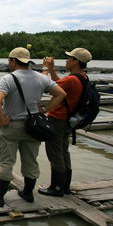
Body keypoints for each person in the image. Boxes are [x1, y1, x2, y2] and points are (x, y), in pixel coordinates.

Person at [0, 47, 66, 207]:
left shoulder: (7, 79)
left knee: (6, 161)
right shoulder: (41, 78)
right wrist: (45, 109)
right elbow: (61, 93)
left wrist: (2, 121)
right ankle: (28, 193)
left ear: (13, 61)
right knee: (31, 161)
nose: (9, 63)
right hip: (33, 126)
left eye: (9, 60)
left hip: (12, 125)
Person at [39, 48, 92, 197]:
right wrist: (52, 69)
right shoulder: (82, 77)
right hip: (69, 120)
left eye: (69, 58)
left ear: (75, 62)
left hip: (58, 119)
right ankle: (65, 186)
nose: (66, 60)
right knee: (63, 152)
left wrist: (45, 69)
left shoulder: (71, 79)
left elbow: (47, 86)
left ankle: (56, 188)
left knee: (55, 153)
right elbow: (58, 83)